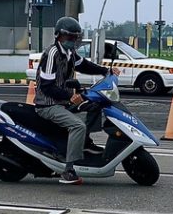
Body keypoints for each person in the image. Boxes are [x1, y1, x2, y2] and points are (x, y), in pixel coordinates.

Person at [35, 16, 120, 185]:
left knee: (95, 105)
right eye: (69, 36)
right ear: (59, 35)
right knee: (78, 125)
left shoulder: (70, 53)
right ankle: (68, 170)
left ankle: (85, 143)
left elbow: (84, 65)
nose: (72, 40)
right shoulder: (52, 54)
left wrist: (105, 71)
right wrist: (69, 96)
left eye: (75, 37)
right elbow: (46, 86)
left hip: (64, 102)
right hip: (48, 104)